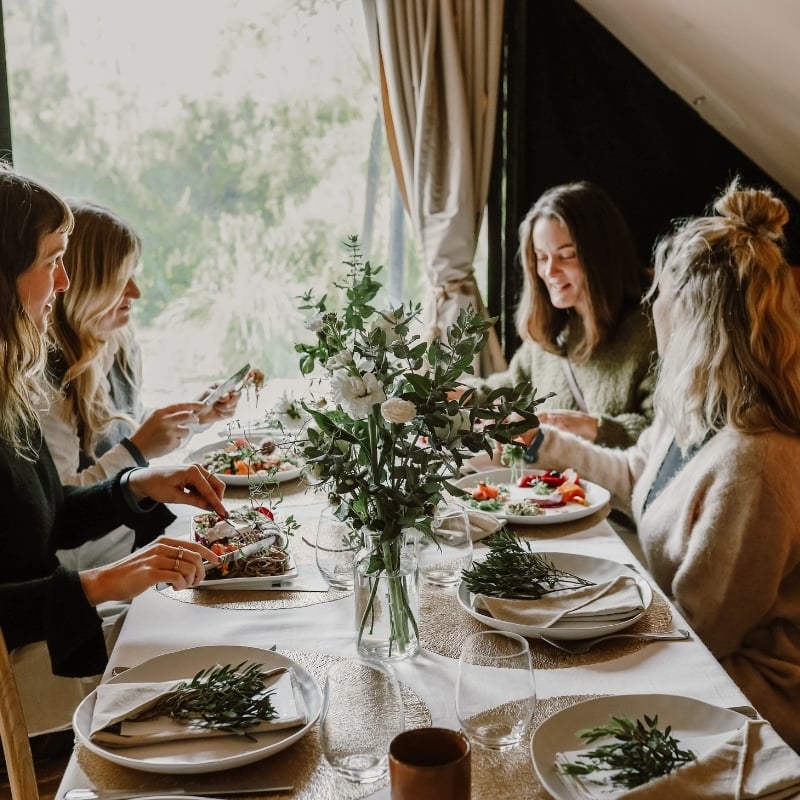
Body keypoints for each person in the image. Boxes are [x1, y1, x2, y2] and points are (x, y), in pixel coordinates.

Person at [523, 180, 800, 750]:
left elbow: (702, 630)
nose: (650, 308)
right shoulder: (696, 406)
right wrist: (539, 444)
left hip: (748, 696)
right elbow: (632, 476)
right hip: (686, 644)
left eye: (662, 297)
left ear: (698, 320)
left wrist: (576, 624)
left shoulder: (757, 460)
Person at [0, 162, 229, 695]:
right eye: (53, 260)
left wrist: (139, 485)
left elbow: (51, 516)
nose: (64, 280)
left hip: (59, 620)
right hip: (33, 660)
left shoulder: (8, 386)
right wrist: (100, 584)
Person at [42, 201, 240, 571]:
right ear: (85, 285)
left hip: (130, 533)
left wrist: (195, 416)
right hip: (97, 559)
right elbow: (66, 507)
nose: (135, 293)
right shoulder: (47, 378)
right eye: (121, 279)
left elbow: (120, 435)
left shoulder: (116, 342)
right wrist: (138, 449)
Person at [469, 181, 656, 448]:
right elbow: (514, 384)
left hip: (612, 488)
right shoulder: (553, 327)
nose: (549, 272)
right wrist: (463, 395)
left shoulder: (650, 332)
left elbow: (661, 436)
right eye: (541, 257)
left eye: (566, 256)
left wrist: (592, 427)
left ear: (602, 256)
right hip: (554, 487)